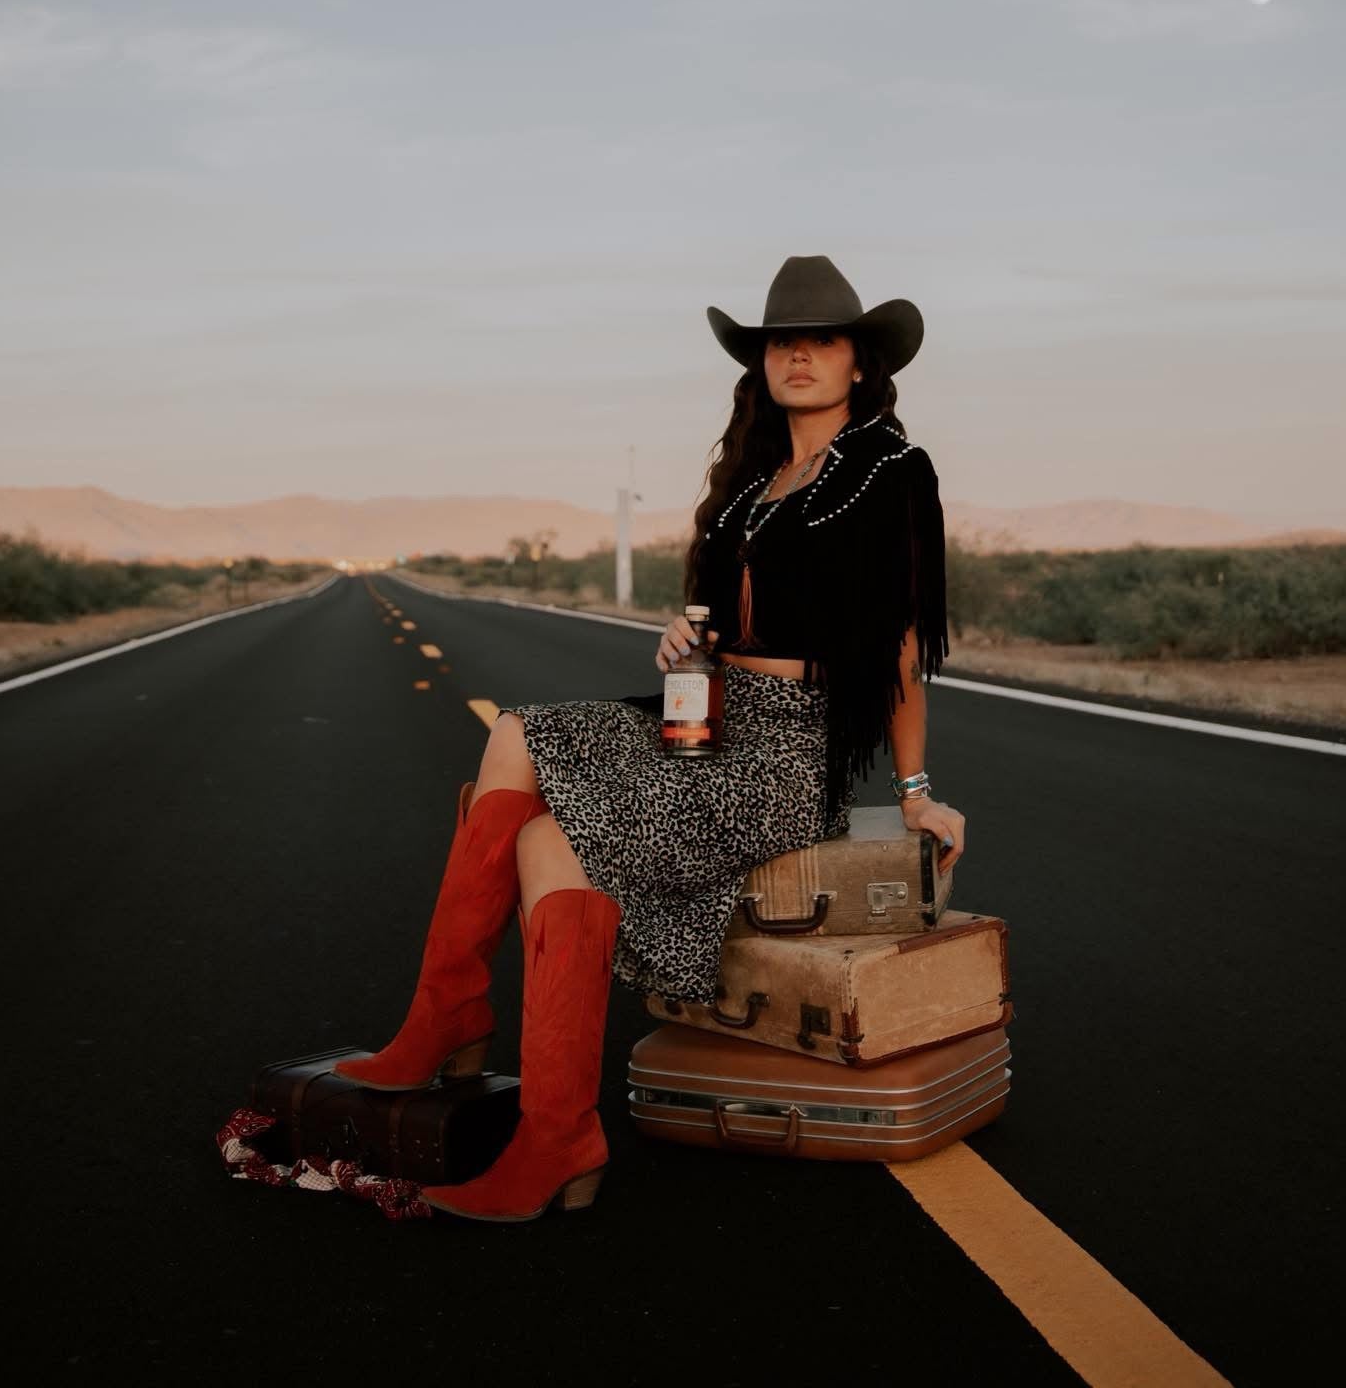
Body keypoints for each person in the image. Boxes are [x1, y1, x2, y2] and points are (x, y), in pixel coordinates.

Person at [335, 253, 964, 1222]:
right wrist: (686, 637)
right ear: (758, 364)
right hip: (709, 715)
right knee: (522, 753)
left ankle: (531, 1111)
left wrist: (916, 784)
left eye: (821, 339)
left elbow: (902, 643)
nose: (797, 355)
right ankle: (489, 1055)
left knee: (554, 828)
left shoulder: (888, 470)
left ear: (858, 360)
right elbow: (721, 618)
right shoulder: (754, 480)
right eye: (778, 343)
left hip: (787, 753)